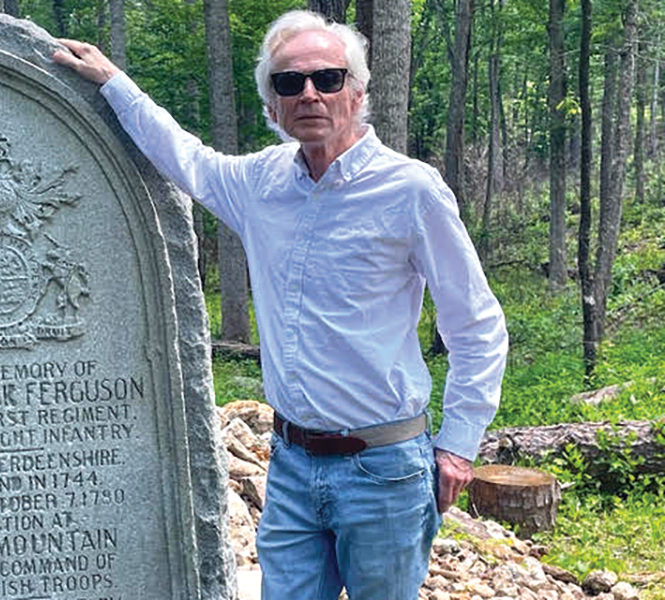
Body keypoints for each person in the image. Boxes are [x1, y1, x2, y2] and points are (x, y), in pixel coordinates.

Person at [52, 10, 507, 600]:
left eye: (328, 78)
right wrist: (116, 83)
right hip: (291, 467)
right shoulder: (260, 185)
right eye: (290, 83)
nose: (310, 93)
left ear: (359, 91)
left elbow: (476, 324)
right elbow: (186, 158)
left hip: (386, 468)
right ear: (273, 105)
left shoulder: (411, 190)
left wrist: (459, 445)